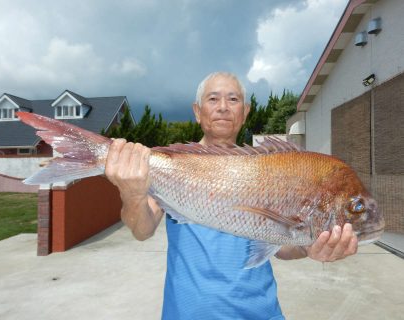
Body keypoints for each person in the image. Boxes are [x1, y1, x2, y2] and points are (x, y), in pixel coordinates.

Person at [105, 72, 358, 319]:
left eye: (233, 99)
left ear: (245, 111)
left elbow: (280, 248)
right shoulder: (173, 165)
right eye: (213, 99)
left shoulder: (271, 167)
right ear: (197, 111)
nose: (223, 107)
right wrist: (133, 195)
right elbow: (142, 230)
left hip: (259, 312)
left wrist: (308, 247)